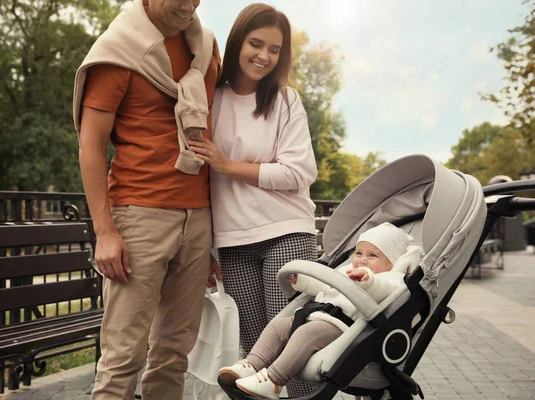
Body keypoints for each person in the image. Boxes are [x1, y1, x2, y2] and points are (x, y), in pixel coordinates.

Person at [72, 0, 221, 398]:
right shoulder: (119, 51)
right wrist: (105, 232)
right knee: (123, 358)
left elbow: (211, 134)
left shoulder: (205, 48)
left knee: (174, 354)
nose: (190, 4)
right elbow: (90, 147)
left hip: (198, 217)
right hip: (139, 215)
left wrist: (209, 241)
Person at [187, 2, 318, 396]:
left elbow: (298, 173)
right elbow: (199, 184)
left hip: (286, 234)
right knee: (254, 357)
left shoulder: (285, 101)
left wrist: (228, 166)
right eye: (255, 44)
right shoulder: (211, 100)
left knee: (294, 347)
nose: (263, 56)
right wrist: (209, 246)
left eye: (274, 49)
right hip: (233, 243)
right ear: (237, 42)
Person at [217, 222, 423, 399]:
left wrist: (369, 282)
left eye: (373, 255)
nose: (362, 260)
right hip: (315, 316)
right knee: (279, 327)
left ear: (392, 261)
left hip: (343, 327)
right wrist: (303, 282)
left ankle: (273, 381)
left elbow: (384, 290)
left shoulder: (391, 280)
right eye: (359, 253)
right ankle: (251, 365)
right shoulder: (347, 270)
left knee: (306, 335)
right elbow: (325, 287)